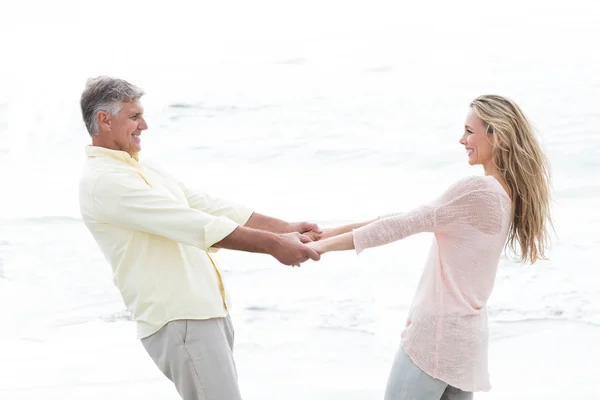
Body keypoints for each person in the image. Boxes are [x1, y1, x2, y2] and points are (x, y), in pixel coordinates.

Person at [78, 76, 321, 400]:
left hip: (206, 308)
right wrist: (275, 246)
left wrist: (284, 228)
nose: (145, 125)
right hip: (179, 317)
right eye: (134, 116)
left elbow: (203, 203)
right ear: (104, 120)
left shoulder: (141, 166)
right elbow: (192, 223)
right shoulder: (104, 182)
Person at [309, 95, 553, 399]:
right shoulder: (505, 196)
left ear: (496, 135)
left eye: (469, 131)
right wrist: (329, 233)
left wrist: (323, 248)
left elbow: (400, 225)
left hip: (434, 342)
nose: (462, 140)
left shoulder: (478, 190)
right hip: (467, 346)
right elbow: (402, 219)